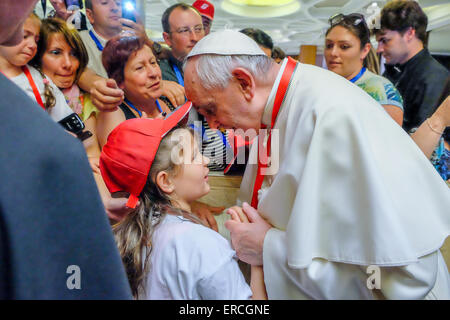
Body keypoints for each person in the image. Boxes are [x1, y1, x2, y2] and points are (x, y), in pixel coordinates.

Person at [183, 29, 450, 299]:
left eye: (210, 109)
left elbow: (403, 278)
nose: (213, 125)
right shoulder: (275, 110)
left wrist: (269, 248)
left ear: (244, 82)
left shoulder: (330, 115)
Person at [0, 0, 132, 299]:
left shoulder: (41, 82)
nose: (29, 43)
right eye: (24, 34)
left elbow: (80, 134)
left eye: (35, 37)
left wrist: (94, 186)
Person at [100, 103, 267, 299]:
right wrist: (257, 261)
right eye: (194, 156)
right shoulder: (202, 244)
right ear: (166, 181)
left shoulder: (136, 236)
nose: (205, 160)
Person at [161, 2, 235, 172]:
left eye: (199, 28)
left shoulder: (212, 70)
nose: (195, 37)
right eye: (184, 31)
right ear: (167, 38)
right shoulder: (159, 74)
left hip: (218, 165)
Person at [77, 0, 185, 112]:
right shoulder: (77, 42)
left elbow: (175, 56)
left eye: (119, 3)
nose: (115, 8)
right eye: (105, 3)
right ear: (90, 15)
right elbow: (80, 73)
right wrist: (154, 86)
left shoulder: (135, 37)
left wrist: (146, 41)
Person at [375, 0, 449, 133]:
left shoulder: (434, 78)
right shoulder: (393, 73)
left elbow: (423, 139)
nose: (379, 49)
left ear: (409, 34)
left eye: (385, 40)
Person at [97, 33, 175, 149]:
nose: (153, 73)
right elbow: (118, 165)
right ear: (119, 81)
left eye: (153, 63)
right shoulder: (114, 113)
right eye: (140, 68)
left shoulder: (170, 100)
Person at [324, 13, 404, 125]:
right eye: (329, 45)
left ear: (365, 50)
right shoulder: (323, 85)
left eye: (344, 47)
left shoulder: (381, 91)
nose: (333, 53)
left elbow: (389, 140)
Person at [0, 13, 73, 122]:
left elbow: (63, 117)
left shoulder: (39, 78)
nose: (33, 45)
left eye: (36, 40)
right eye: (24, 36)